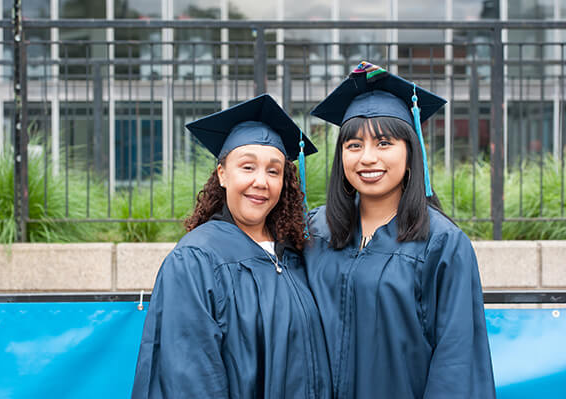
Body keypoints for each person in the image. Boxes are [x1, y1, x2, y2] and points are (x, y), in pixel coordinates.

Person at [304, 61, 496, 398]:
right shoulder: (314, 232)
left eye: (383, 143)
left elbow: (456, 361)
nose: (367, 158)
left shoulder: (442, 244)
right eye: (353, 145)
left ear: (411, 152)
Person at [131, 94, 332, 399]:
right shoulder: (197, 260)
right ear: (223, 174)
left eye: (273, 170)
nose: (261, 181)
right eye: (247, 167)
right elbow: (191, 380)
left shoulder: (295, 253)